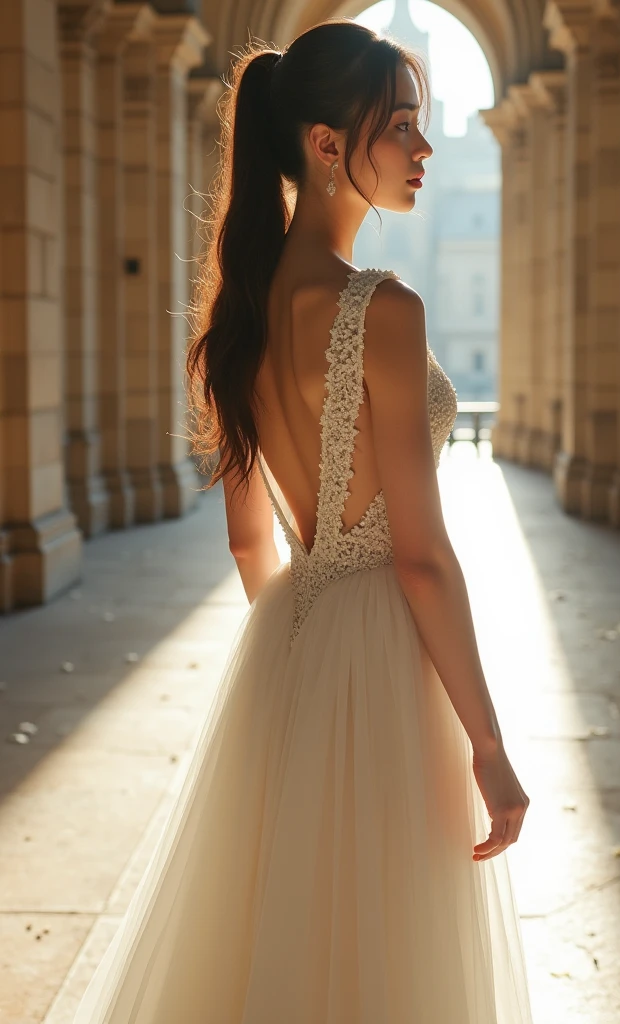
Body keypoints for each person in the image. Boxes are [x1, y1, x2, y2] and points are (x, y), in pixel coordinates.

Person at [72, 18, 533, 1024]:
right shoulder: (382, 308)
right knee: (386, 953)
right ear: (327, 144)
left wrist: (305, 641)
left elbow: (250, 542)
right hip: (379, 652)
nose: (424, 148)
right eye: (401, 125)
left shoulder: (236, 312)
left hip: (292, 641)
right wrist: (488, 744)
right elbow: (421, 559)